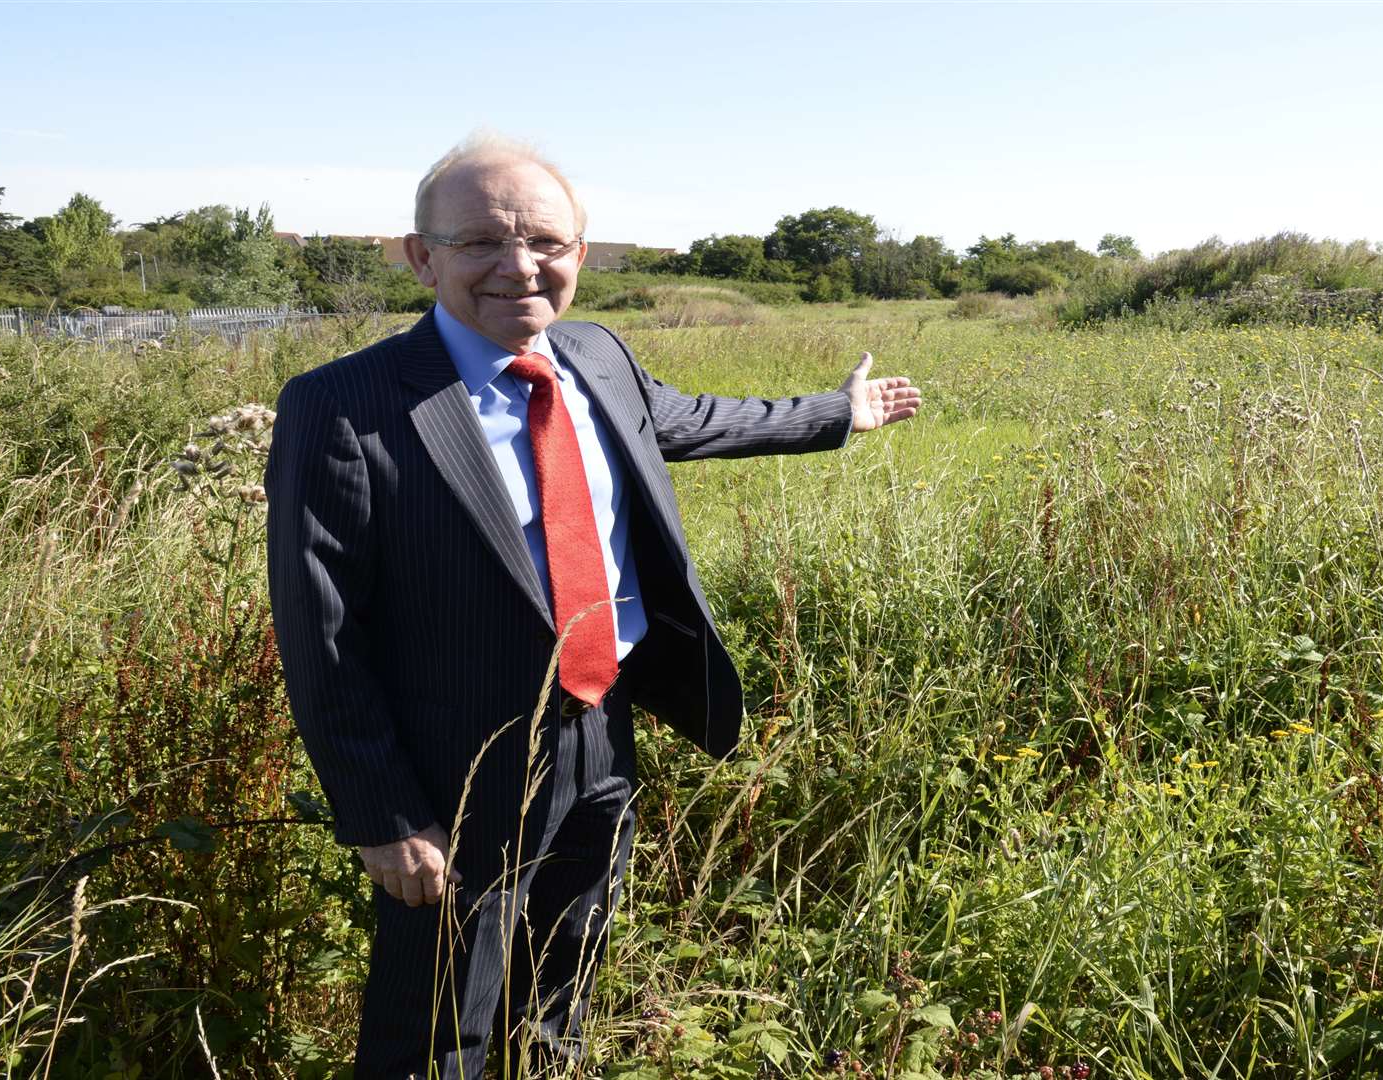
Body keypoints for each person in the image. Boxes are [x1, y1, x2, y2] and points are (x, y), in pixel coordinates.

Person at [264, 132, 920, 1077]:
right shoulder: (345, 403)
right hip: (456, 760)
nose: (517, 267)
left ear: (582, 251)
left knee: (561, 983)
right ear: (421, 256)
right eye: (481, 242)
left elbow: (692, 419)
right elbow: (322, 631)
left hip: (601, 731)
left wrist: (837, 413)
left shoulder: (594, 356)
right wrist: (382, 812)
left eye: (545, 242)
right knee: (437, 1022)